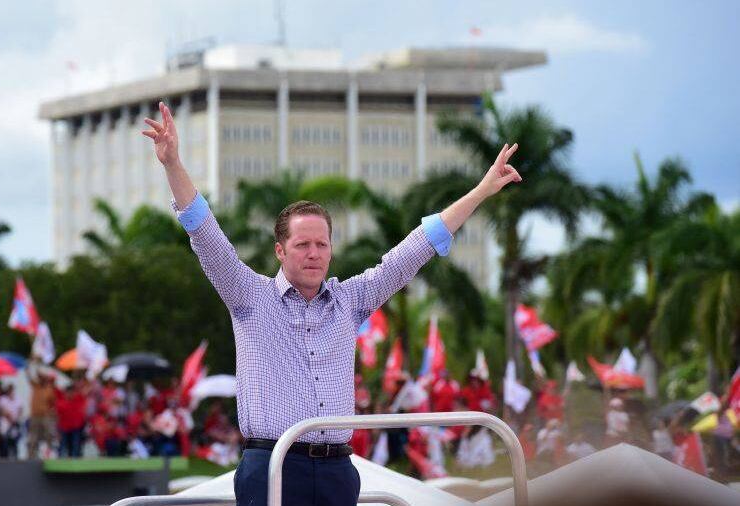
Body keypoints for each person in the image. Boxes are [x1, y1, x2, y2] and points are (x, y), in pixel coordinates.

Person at [142, 101, 522, 506]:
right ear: (280, 251)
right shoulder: (249, 295)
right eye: (302, 244)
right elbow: (206, 235)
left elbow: (416, 249)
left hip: (337, 470)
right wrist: (173, 164)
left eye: (322, 244)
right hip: (271, 465)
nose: (314, 253)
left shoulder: (350, 300)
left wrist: (482, 191)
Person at [27, 361, 58, 459]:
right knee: (33, 436)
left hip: (45, 416)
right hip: (35, 415)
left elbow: (53, 403)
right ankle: (31, 455)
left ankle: (49, 452)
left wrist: (52, 413)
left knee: (49, 435)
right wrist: (35, 366)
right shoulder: (36, 386)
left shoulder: (49, 389)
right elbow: (30, 376)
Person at [0, 384, 23, 459]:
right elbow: (1, 410)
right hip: (5, 422)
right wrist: (9, 417)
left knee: (14, 439)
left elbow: (20, 410)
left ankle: (15, 455)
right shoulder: (2, 399)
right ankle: (4, 456)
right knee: (4, 439)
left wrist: (15, 418)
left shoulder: (18, 399)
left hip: (15, 421)